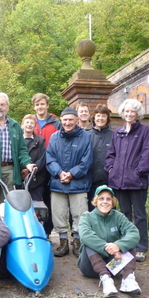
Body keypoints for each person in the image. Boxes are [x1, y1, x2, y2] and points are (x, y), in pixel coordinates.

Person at [104, 99, 149, 263]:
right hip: (119, 182)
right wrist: (111, 169)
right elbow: (110, 154)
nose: (129, 114)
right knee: (124, 215)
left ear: (137, 113)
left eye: (132, 111)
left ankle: (141, 247)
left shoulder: (144, 131)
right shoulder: (117, 132)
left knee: (139, 215)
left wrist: (138, 172)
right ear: (122, 113)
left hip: (137, 182)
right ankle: (126, 245)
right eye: (126, 111)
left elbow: (147, 154)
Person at [78, 185, 141, 297]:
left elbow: (134, 233)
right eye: (101, 198)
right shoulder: (86, 216)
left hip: (113, 266)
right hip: (90, 267)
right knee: (89, 242)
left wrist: (119, 245)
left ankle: (128, 279)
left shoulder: (119, 216)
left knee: (129, 242)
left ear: (113, 202)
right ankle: (106, 279)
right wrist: (109, 248)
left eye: (108, 199)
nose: (105, 202)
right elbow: (85, 235)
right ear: (96, 201)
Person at [46, 107, 93, 257]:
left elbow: (87, 161)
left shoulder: (86, 137)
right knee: (58, 213)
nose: (67, 122)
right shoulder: (54, 137)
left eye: (70, 119)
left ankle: (78, 241)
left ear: (77, 120)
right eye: (65, 119)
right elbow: (50, 158)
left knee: (80, 213)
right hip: (57, 183)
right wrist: (59, 173)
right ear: (61, 120)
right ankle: (63, 242)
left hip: (78, 184)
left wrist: (72, 174)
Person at [31, 93, 60, 236]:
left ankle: (47, 232)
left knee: (49, 201)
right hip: (35, 168)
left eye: (42, 104)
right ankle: (34, 231)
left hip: (51, 167)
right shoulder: (30, 122)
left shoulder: (56, 123)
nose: (40, 107)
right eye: (37, 104)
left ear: (47, 105)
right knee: (34, 200)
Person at [88, 104, 113, 211]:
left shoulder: (114, 135)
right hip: (91, 183)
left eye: (103, 116)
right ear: (94, 118)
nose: (100, 118)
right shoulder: (87, 135)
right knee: (93, 213)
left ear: (107, 118)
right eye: (98, 116)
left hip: (108, 182)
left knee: (109, 212)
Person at [19, 114, 47, 201]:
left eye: (32, 123)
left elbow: (42, 159)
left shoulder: (40, 141)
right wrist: (22, 171)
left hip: (36, 181)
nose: (29, 125)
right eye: (27, 122)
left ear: (35, 126)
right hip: (19, 181)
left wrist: (31, 170)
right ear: (22, 125)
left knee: (36, 209)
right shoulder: (16, 141)